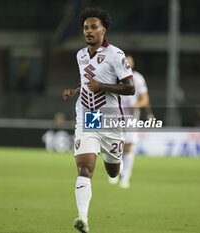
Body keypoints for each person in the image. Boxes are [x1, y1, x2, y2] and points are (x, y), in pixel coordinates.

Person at [62, 8, 134, 233]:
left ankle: (114, 163)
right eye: (85, 28)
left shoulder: (116, 55)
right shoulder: (80, 55)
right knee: (85, 168)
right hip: (87, 117)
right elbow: (87, 81)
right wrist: (75, 90)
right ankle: (82, 218)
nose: (89, 31)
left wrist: (102, 86)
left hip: (110, 119)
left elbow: (130, 88)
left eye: (94, 27)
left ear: (104, 29)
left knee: (113, 171)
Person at [108, 54, 151, 188]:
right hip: (116, 115)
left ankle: (125, 176)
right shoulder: (115, 77)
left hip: (131, 118)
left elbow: (145, 99)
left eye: (129, 62)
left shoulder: (137, 78)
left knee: (128, 147)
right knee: (114, 144)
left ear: (132, 65)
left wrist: (136, 106)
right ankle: (117, 171)